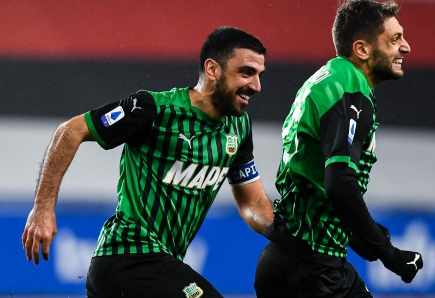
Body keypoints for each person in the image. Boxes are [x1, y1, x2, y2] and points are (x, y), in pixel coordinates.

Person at [22, 26, 274, 297]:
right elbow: (70, 131)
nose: (256, 86)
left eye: (259, 75)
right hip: (127, 257)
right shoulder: (154, 109)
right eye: (246, 72)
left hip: (155, 266)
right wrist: (42, 208)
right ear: (212, 70)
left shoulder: (238, 127)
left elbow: (253, 203)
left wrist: (292, 238)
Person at [254, 1, 423, 297]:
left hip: (282, 260)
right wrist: (390, 256)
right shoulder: (351, 89)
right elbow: (339, 184)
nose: (406, 47)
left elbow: (315, 180)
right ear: (362, 49)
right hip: (317, 272)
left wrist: (360, 236)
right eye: (395, 39)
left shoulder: (325, 79)